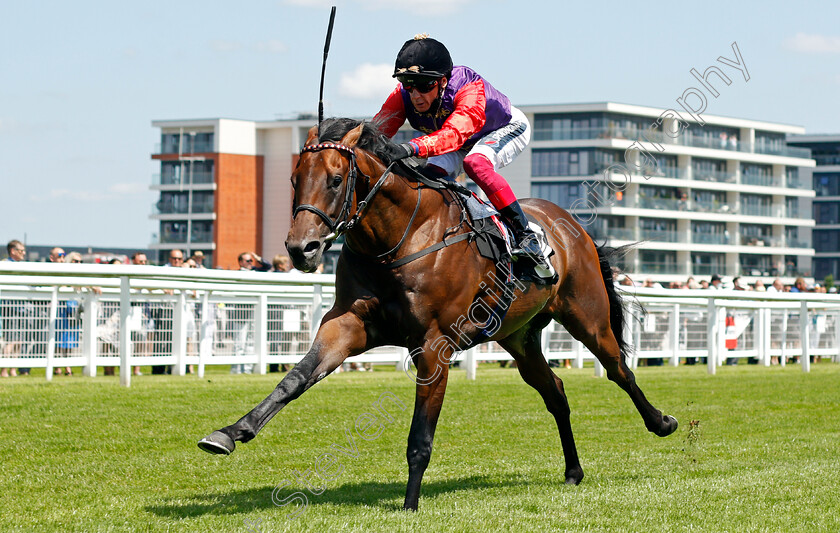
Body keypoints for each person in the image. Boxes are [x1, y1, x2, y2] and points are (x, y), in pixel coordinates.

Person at [373, 34, 550, 272]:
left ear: (443, 81)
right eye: (408, 85)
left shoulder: (468, 88)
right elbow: (376, 133)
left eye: (425, 86)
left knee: (475, 164)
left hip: (505, 128)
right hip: (459, 140)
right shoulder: (404, 95)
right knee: (427, 177)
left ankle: (525, 234)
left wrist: (408, 148)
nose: (415, 95)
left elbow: (454, 135)